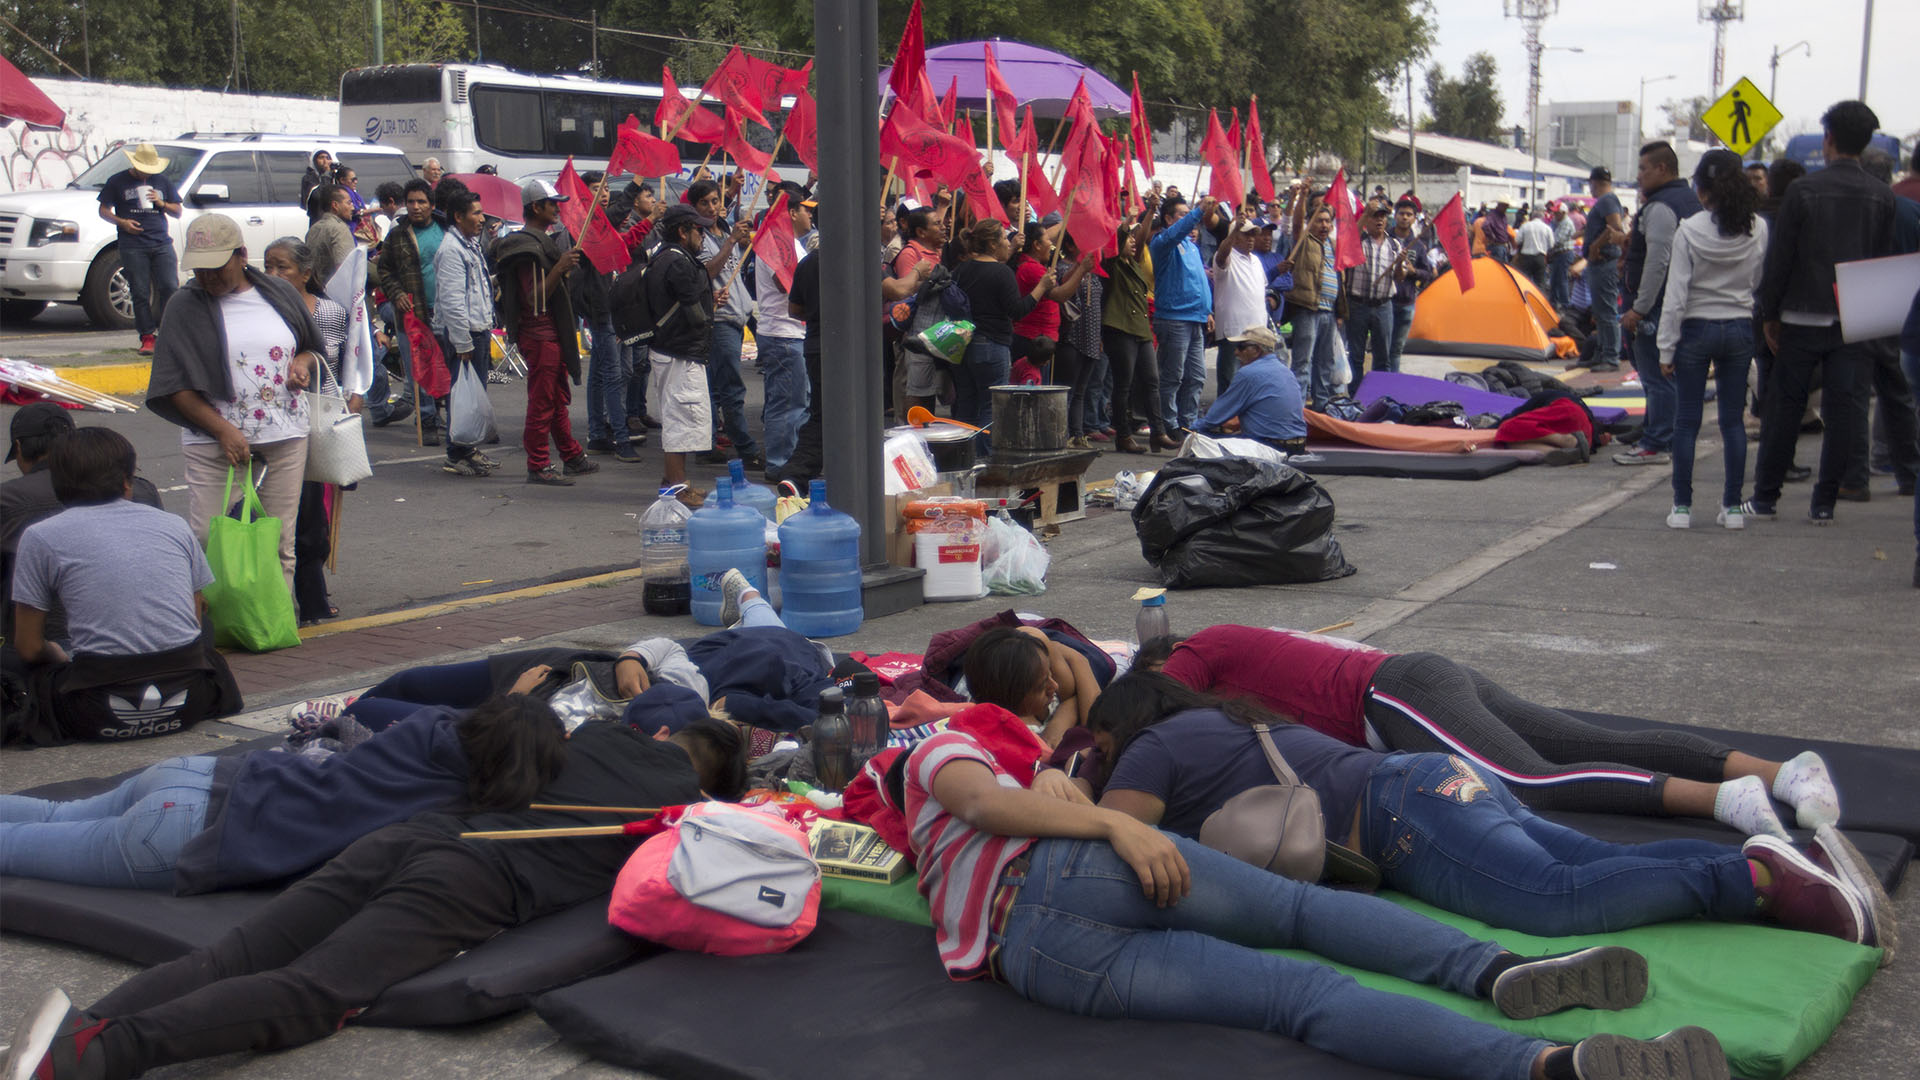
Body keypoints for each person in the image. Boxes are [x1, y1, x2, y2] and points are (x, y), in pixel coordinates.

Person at [896, 700, 1736, 1080]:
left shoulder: (914, 836)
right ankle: (1493, 972)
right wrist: (1116, 824)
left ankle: (1550, 1068)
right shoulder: (932, 745)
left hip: (1034, 958)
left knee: (1300, 998)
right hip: (1070, 870)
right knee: (1307, 915)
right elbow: (980, 800)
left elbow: (984, 809)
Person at [3, 704, 746, 1080]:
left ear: (666, 735)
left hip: (413, 836)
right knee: (321, 990)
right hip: (478, 876)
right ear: (712, 782)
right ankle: (98, 1054)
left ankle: (87, 1026)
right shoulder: (686, 816)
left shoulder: (599, 736)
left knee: (239, 952)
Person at [1090, 672, 1887, 946]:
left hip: (1402, 817)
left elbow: (1117, 833)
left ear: (1126, 726)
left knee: (1554, 902)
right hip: (1429, 778)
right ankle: (1772, 865)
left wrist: (1079, 785)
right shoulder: (1230, 716)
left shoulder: (1153, 749)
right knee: (1582, 862)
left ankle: (1751, 881)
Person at [1131, 626, 1841, 835]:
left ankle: (1727, 800)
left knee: (1525, 782)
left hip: (1391, 695)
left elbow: (1167, 715)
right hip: (1416, 679)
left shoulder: (1192, 653)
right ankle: (1785, 772)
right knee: (1586, 743)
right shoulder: (1223, 664)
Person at [0, 694, 562, 890]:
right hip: (192, 834)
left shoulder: (426, 728)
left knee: (56, 811)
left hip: (207, 773)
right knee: (17, 851)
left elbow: (461, 710)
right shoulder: (453, 810)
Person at [5, 428, 240, 746]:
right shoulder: (174, 525)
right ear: (127, 483)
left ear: (58, 483)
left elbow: (29, 647)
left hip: (95, 710)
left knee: (12, 660)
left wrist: (59, 654)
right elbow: (195, 618)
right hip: (189, 698)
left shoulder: (40, 536)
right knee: (206, 629)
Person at [145, 213, 318, 590]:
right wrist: (222, 430)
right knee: (210, 537)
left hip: (284, 435)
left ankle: (278, 621)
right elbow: (175, 385)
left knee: (278, 541)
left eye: (215, 267)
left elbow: (307, 346)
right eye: (199, 269)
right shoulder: (183, 305)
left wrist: (301, 364)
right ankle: (214, 623)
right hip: (212, 442)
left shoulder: (279, 292)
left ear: (241, 255)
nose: (206, 277)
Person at [1745, 101, 1898, 525]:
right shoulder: (1882, 196)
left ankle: (1765, 497)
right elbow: (1881, 262)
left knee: (1784, 407)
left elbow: (1781, 258)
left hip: (1800, 316)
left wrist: (1770, 312)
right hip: (1854, 319)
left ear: (1828, 139)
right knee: (1844, 411)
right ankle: (1824, 502)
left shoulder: (1803, 190)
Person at [1657, 150, 1768, 532]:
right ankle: (1732, 508)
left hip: (1695, 330)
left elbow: (1676, 295)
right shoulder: (1758, 229)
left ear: (1702, 191)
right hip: (1739, 327)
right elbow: (1756, 282)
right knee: (1733, 423)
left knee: (1686, 422)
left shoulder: (1689, 229)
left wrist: (1666, 348)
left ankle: (1682, 507)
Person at [1, 405, 162, 642]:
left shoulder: (16, 507)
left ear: (19, 448)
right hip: (151, 638)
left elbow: (31, 648)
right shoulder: (151, 502)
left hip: (62, 643)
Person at [262, 237, 355, 622]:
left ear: (306, 273)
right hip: (267, 422)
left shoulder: (329, 312)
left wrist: (352, 396)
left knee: (311, 514)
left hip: (314, 418)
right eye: (268, 266)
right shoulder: (257, 309)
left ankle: (312, 596)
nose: (273, 275)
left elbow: (339, 360)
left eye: (282, 267)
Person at [492, 178, 596, 487]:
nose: (557, 209)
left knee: (554, 398)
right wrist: (560, 267)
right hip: (539, 334)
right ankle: (538, 463)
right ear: (536, 207)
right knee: (542, 402)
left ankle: (571, 455)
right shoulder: (527, 247)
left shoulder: (539, 241)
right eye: (552, 204)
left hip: (550, 334)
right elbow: (535, 299)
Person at [1617, 141, 1703, 467]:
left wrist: (1639, 307)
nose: (1638, 176)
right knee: (1668, 376)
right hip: (1681, 301)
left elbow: (1657, 261)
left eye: (1643, 169)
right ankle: (1658, 433)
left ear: (1662, 169)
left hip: (1656, 307)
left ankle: (1657, 443)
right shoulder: (1690, 201)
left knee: (1657, 376)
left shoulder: (1662, 207)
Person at [953, 219, 1053, 455]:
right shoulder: (1001, 273)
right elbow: (1017, 310)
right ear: (992, 243)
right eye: (1003, 238)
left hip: (961, 345)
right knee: (992, 406)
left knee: (966, 404)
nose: (1007, 243)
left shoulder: (961, 270)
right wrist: (1042, 286)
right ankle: (984, 460)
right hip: (991, 345)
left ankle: (959, 459)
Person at [687, 179, 764, 472]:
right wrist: (731, 241)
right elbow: (708, 272)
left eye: (715, 201)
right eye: (704, 203)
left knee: (717, 389)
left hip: (736, 316)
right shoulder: (699, 237)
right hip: (719, 321)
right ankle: (745, 448)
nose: (711, 207)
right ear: (694, 208)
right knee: (731, 388)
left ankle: (706, 444)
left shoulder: (722, 229)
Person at [647, 203, 721, 504]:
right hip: (680, 352)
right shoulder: (678, 262)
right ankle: (677, 488)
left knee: (681, 415)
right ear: (682, 231)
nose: (702, 235)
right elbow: (694, 313)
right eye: (698, 230)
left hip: (671, 349)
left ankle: (673, 481)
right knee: (681, 417)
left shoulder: (665, 257)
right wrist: (709, 311)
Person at [432, 191, 501, 478]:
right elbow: (452, 300)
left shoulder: (469, 245)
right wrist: (462, 342)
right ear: (458, 217)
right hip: (465, 335)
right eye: (475, 213)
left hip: (479, 329)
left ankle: (468, 448)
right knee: (461, 396)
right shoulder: (451, 250)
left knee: (474, 394)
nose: (482, 218)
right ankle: (455, 452)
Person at [374, 179, 446, 440]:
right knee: (421, 369)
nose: (416, 207)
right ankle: (427, 420)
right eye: (411, 202)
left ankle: (444, 417)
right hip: (412, 312)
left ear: (431, 205)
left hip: (444, 310)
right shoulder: (397, 235)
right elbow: (384, 270)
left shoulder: (447, 230)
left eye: (422, 202)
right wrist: (396, 293)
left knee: (445, 367)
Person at [96, 142, 181, 354]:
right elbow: (103, 210)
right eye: (144, 169)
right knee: (140, 291)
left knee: (170, 286)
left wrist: (161, 203)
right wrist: (122, 223)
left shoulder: (161, 181)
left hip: (161, 241)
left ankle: (169, 333)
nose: (147, 174)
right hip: (132, 244)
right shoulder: (117, 181)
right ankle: (147, 336)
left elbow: (177, 211)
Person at [1102, 210, 1173, 453]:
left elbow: (1140, 238)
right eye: (1129, 239)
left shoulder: (1132, 264)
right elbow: (1118, 238)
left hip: (1140, 329)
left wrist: (1151, 210)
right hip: (1120, 328)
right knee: (1124, 384)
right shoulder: (1111, 263)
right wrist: (1127, 220)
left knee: (1152, 380)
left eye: (1134, 239)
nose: (1134, 242)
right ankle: (1123, 435)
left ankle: (1158, 432)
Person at [962, 625, 1102, 747]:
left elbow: (1071, 695)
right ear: (1015, 698)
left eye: (1051, 674)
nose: (1054, 686)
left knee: (1033, 635)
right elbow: (1098, 729)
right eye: (1041, 687)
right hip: (1083, 662)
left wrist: (1060, 723)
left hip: (1061, 653)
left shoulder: (1031, 668)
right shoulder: (1023, 735)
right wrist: (1079, 662)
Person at [755, 186, 814, 473]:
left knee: (793, 402)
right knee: (787, 405)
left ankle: (786, 460)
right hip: (783, 334)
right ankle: (779, 464)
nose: (810, 215)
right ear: (791, 212)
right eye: (806, 209)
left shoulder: (790, 241)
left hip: (788, 333)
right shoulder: (777, 242)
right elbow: (786, 283)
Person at [1149, 195, 1214, 435]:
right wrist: (1198, 212)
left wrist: (1207, 311)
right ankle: (1169, 423)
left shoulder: (1191, 247)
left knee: (1196, 376)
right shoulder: (1162, 242)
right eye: (1182, 215)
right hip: (1174, 318)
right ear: (1168, 219)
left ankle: (1189, 423)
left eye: (1189, 214)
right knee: (1173, 376)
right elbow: (1175, 233)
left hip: (1195, 319)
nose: (1189, 220)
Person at [1197, 325, 1307, 453]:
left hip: (1270, 446)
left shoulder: (1248, 374)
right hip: (1297, 443)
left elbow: (1215, 416)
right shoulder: (1285, 371)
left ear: (1256, 350)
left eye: (1241, 347)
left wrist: (1191, 430)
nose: (1236, 352)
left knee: (1203, 441)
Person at [1284, 205, 1347, 411]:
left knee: (1325, 363)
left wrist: (1340, 311)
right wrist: (1302, 197)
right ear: (1309, 223)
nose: (1324, 225)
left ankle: (1321, 408)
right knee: (1303, 363)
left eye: (1328, 221)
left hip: (1330, 312)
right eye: (1319, 220)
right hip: (1307, 310)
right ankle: (1297, 410)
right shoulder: (1303, 241)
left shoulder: (1334, 246)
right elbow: (1295, 222)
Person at [1210, 209, 1272, 394]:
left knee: (1255, 383)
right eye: (1246, 235)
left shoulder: (1256, 261)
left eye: (1253, 234)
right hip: (1233, 332)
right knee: (1230, 382)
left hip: (1257, 333)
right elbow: (1222, 255)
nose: (1251, 238)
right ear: (1235, 237)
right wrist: (1235, 228)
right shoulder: (1226, 258)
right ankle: (1227, 421)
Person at [1343, 204, 1402, 392]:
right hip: (1358, 305)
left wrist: (1400, 265)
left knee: (1383, 358)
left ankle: (1378, 397)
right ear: (1367, 220)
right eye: (1375, 216)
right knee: (1356, 357)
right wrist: (1365, 213)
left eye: (1383, 217)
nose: (1379, 220)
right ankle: (1355, 398)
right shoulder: (1357, 242)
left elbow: (1399, 278)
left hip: (1383, 306)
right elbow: (1347, 240)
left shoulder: (1394, 245)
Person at [1055, 232, 1106, 449]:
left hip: (1092, 335)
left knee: (1081, 390)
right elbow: (1064, 286)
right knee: (1067, 388)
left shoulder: (1092, 270)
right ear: (1068, 244)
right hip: (1073, 336)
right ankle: (1061, 434)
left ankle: (1077, 433)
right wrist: (1080, 266)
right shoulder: (1063, 268)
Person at [1579, 167, 1628, 372]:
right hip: (1599, 263)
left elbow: (1615, 228)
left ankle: (1610, 356)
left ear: (1594, 182)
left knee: (1606, 311)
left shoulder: (1607, 200)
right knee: (1600, 312)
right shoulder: (1607, 201)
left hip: (1604, 261)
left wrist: (1595, 246)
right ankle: (1601, 353)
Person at [1387, 197, 1433, 369]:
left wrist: (1414, 272)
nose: (1405, 217)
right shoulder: (1386, 239)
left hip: (1407, 304)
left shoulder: (1418, 245)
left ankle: (1392, 385)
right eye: (1401, 214)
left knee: (1396, 350)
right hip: (1386, 303)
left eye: (1409, 214)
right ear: (1395, 216)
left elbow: (1427, 273)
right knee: (1383, 348)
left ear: (1414, 218)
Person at [303, 184, 357, 290]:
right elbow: (344, 270)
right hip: (334, 294)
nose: (353, 207)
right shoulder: (340, 229)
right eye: (349, 203)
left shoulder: (314, 228)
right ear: (335, 205)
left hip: (315, 292)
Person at [1514, 207, 1553, 295]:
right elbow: (1551, 244)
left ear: (1532, 217)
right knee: (1540, 282)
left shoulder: (1525, 226)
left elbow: (1517, 240)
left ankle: (1524, 299)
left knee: (1525, 280)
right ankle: (1539, 301)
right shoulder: (1547, 228)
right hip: (1540, 257)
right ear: (1542, 217)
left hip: (1526, 257)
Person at [1547, 202, 1579, 309]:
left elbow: (1558, 240)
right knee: (1555, 279)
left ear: (1563, 213)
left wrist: (1548, 248)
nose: (1555, 214)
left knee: (1562, 280)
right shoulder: (1557, 222)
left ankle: (1565, 304)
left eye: (1557, 213)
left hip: (1564, 254)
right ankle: (1554, 303)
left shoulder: (1566, 223)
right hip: (1558, 254)